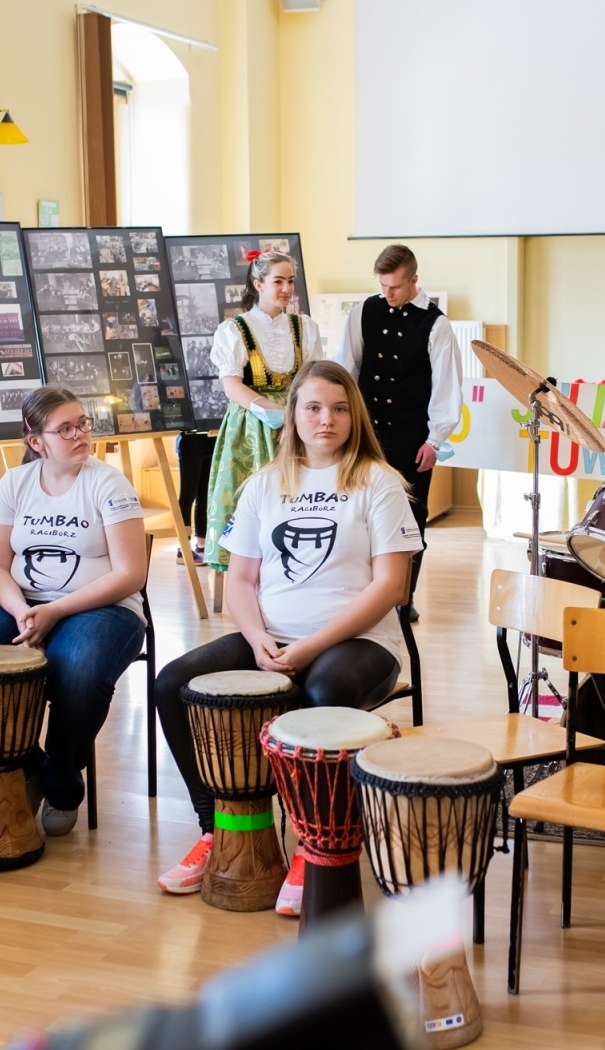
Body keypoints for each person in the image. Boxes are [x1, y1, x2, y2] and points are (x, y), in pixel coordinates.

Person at [155, 362, 421, 913]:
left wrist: (311, 647)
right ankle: (215, 830)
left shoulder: (380, 481)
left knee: (320, 695)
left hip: (362, 642)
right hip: (271, 638)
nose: (327, 419)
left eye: (340, 408)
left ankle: (314, 843)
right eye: (314, 407)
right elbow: (242, 581)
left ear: (355, 415)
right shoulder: (264, 484)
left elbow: (391, 587)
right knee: (174, 684)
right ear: (292, 414)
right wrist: (257, 642)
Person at [0, 386, 148, 835]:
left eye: (83, 423)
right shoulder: (15, 483)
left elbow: (130, 575)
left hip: (105, 606)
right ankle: (29, 763)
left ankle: (62, 783)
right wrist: (24, 610)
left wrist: (56, 611)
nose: (80, 434)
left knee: (76, 670)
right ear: (36, 440)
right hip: (23, 604)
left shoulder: (107, 482)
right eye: (65, 429)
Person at [333, 244, 462, 622]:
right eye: (382, 285)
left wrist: (435, 440)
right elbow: (347, 370)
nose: (386, 293)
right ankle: (359, 597)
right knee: (356, 515)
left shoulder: (437, 324)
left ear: (414, 281)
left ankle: (403, 599)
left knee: (410, 521)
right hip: (366, 435)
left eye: (394, 286)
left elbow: (446, 387)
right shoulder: (363, 312)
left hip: (412, 438)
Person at [201, 251, 323, 571]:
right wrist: (271, 410)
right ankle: (246, 569)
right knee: (255, 497)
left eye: (290, 281)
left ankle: (298, 561)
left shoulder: (304, 327)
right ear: (258, 284)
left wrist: (296, 415)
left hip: (296, 419)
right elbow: (232, 386)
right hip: (252, 422)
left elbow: (311, 378)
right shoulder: (234, 329)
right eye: (278, 281)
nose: (286, 288)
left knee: (299, 495)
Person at [174, 431, 215, 565]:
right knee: (187, 497)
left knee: (204, 497)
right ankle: (183, 548)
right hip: (190, 444)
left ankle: (201, 546)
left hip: (212, 441)